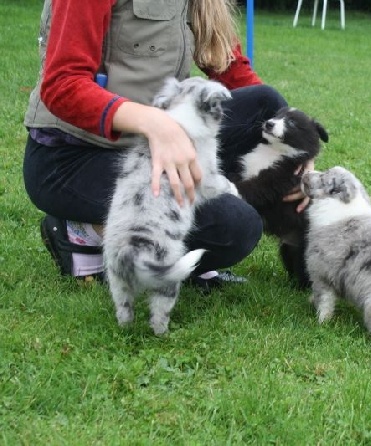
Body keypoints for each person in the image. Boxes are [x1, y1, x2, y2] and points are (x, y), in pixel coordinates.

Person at [23, 0, 310, 292]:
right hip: (73, 157)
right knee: (235, 227)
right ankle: (85, 232)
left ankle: (148, 227)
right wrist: (155, 124)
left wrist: (294, 155)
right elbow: (62, 84)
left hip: (152, 143)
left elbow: (231, 69)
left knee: (267, 103)